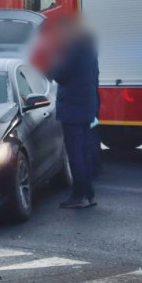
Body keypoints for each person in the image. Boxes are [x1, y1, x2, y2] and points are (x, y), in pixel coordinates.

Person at [48, 15, 99, 209]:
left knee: (75, 153)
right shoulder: (89, 47)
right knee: (84, 151)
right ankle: (89, 194)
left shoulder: (72, 48)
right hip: (86, 106)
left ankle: (79, 196)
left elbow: (61, 75)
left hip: (72, 108)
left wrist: (54, 62)